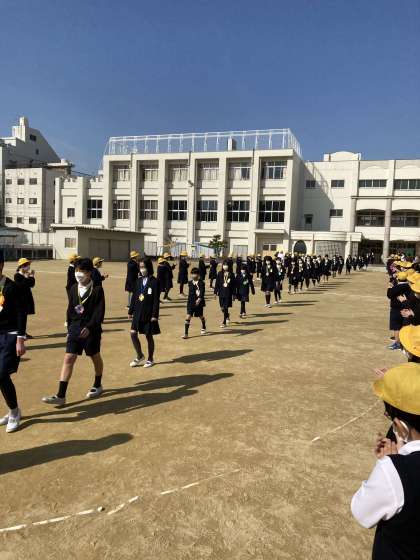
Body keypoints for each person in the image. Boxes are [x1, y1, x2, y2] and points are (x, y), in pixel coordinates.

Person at [351, 362, 420, 559]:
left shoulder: (395, 470)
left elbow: (361, 511)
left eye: (388, 413)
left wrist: (388, 462)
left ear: (401, 426)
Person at [42, 258, 105, 406]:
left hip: (91, 330)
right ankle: (61, 395)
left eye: (82, 271)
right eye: (76, 270)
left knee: (94, 356)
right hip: (75, 328)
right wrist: (69, 327)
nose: (78, 273)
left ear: (89, 272)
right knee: (69, 358)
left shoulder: (97, 289)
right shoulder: (73, 288)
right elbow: (70, 309)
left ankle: (98, 384)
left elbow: (99, 312)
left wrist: (90, 327)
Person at [0, 250, 26, 433]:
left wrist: (20, 339)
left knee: (1, 374)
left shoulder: (11, 287)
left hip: (10, 334)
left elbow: (21, 314)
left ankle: (15, 412)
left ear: (1, 265)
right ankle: (11, 410)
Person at [128, 258, 160, 368]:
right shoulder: (138, 281)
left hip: (148, 313)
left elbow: (156, 300)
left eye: (144, 267)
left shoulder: (154, 281)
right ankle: (140, 355)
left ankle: (150, 359)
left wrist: (154, 315)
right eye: (140, 267)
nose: (142, 269)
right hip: (137, 312)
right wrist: (130, 310)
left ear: (149, 267)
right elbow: (134, 297)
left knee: (148, 336)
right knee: (133, 333)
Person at [14, 258, 35, 339]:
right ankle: (21, 334)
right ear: (21, 266)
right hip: (20, 300)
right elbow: (20, 287)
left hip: (27, 299)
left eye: (28, 265)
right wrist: (26, 278)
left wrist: (32, 276)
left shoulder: (26, 274)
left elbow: (32, 284)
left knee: (24, 317)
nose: (28, 267)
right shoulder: (17, 276)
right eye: (26, 265)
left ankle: (23, 332)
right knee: (21, 318)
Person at [182, 267, 206, 339]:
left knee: (200, 316)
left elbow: (202, 292)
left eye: (195, 273)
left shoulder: (201, 283)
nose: (193, 275)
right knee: (188, 316)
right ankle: (186, 334)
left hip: (198, 303)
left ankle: (203, 325)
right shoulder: (190, 283)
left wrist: (199, 299)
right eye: (192, 273)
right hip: (190, 302)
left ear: (198, 275)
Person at [214, 260, 236, 328]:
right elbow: (217, 283)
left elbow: (233, 285)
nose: (225, 266)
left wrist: (234, 294)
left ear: (229, 266)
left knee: (225, 307)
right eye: (224, 265)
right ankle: (227, 315)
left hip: (228, 293)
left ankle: (224, 322)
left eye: (226, 265)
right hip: (221, 293)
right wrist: (215, 292)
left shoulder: (231, 274)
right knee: (222, 308)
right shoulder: (220, 273)